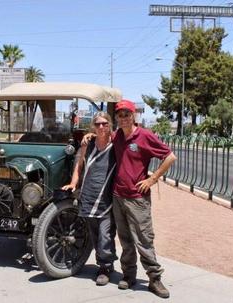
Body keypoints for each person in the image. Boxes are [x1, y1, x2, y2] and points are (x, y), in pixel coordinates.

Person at [111, 100, 176, 298]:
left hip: (138, 199)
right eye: (120, 115)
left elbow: (170, 156)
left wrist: (153, 178)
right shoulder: (117, 136)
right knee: (125, 240)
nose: (123, 118)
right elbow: (103, 138)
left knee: (144, 240)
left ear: (134, 116)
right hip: (118, 196)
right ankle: (129, 275)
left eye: (127, 114)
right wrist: (90, 135)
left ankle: (154, 279)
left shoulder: (145, 136)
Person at [62, 112, 117, 286]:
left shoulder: (116, 144)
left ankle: (105, 267)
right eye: (98, 124)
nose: (101, 127)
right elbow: (79, 165)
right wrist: (73, 183)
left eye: (104, 124)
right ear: (94, 126)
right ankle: (106, 262)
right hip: (89, 196)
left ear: (110, 125)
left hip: (107, 199)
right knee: (94, 235)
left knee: (105, 235)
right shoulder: (88, 143)